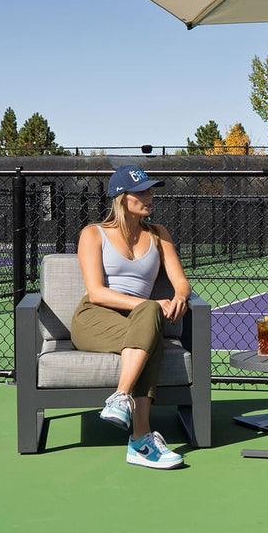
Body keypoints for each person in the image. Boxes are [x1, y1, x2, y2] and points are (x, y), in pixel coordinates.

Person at [72, 165, 191, 469]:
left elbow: (181, 282)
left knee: (150, 323)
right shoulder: (93, 233)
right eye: (141, 192)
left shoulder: (159, 234)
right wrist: (147, 305)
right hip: (93, 318)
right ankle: (139, 438)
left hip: (138, 320)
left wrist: (179, 297)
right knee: (150, 319)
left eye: (150, 191)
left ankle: (122, 402)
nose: (149, 197)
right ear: (121, 198)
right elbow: (96, 293)